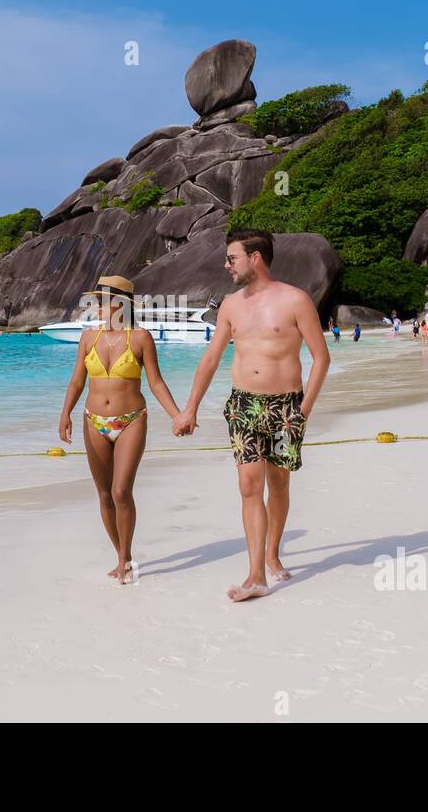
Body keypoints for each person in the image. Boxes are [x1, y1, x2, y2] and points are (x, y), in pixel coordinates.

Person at [172, 229, 330, 602]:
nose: (226, 265)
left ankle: (272, 553)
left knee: (278, 484)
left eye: (232, 258)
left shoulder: (295, 299)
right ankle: (256, 574)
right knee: (249, 486)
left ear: (255, 257)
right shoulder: (229, 305)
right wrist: (190, 408)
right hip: (243, 405)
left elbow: (321, 357)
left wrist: (303, 410)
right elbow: (211, 359)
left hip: (285, 407)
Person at [58, 275, 183, 584]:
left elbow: (155, 382)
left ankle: (125, 560)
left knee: (120, 491)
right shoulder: (88, 337)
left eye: (101, 300)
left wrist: (177, 416)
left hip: (131, 419)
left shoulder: (140, 338)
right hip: (93, 420)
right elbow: (77, 380)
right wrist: (65, 413)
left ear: (119, 304)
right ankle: (122, 557)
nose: (96, 305)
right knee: (103, 495)